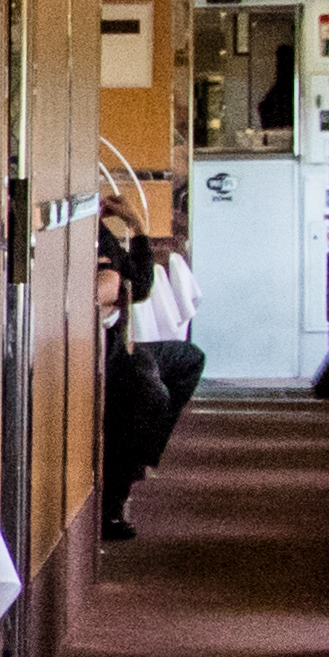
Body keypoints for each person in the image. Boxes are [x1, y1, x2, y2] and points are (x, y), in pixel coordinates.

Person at [94, 195, 205, 539]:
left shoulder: (99, 232)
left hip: (120, 346)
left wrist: (137, 227)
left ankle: (143, 454)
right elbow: (106, 287)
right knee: (147, 393)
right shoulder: (83, 236)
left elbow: (140, 286)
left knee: (188, 359)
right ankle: (113, 499)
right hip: (103, 350)